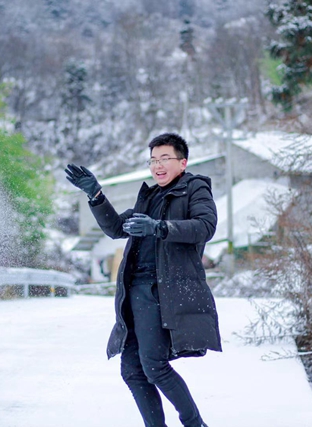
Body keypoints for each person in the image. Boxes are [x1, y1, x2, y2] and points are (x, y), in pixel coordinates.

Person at [65, 133, 221, 427]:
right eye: (153, 160)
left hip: (162, 290)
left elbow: (205, 227)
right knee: (132, 370)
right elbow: (116, 228)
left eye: (165, 158)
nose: (157, 165)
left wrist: (160, 227)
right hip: (134, 292)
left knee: (154, 365)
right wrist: (96, 195)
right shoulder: (149, 197)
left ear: (183, 162)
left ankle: (195, 423)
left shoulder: (194, 188)